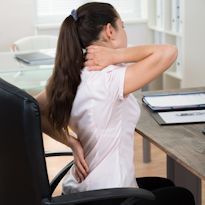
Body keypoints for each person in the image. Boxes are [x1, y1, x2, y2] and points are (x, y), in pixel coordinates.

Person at [36, 2, 195, 205]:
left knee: (166, 185)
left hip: (79, 193)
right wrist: (115, 55)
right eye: (123, 25)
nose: (125, 31)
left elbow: (34, 109)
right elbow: (169, 51)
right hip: (109, 197)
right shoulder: (109, 77)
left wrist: (71, 142)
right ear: (110, 30)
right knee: (183, 196)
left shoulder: (71, 73)